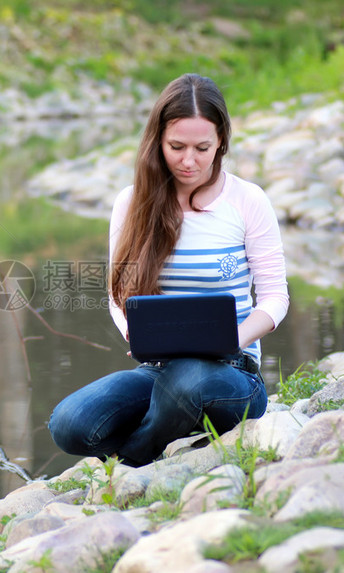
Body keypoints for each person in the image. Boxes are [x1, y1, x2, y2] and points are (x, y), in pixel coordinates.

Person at [48, 73, 289, 467]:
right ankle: (169, 425)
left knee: (189, 382)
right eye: (176, 147)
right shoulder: (132, 203)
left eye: (202, 147)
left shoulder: (247, 200)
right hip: (159, 370)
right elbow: (119, 293)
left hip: (234, 373)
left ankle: (135, 456)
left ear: (221, 142)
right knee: (70, 423)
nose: (189, 160)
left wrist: (234, 339)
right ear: (157, 142)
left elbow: (276, 298)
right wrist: (133, 329)